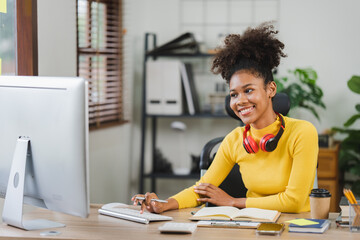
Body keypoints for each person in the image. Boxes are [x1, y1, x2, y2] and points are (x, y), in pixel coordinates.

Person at [132, 23, 318, 214]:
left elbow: (294, 202)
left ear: (270, 89)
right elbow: (202, 188)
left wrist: (233, 202)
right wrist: (164, 204)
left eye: (248, 90)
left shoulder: (302, 132)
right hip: (252, 223)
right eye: (234, 94)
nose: (241, 101)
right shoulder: (235, 140)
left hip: (295, 227)